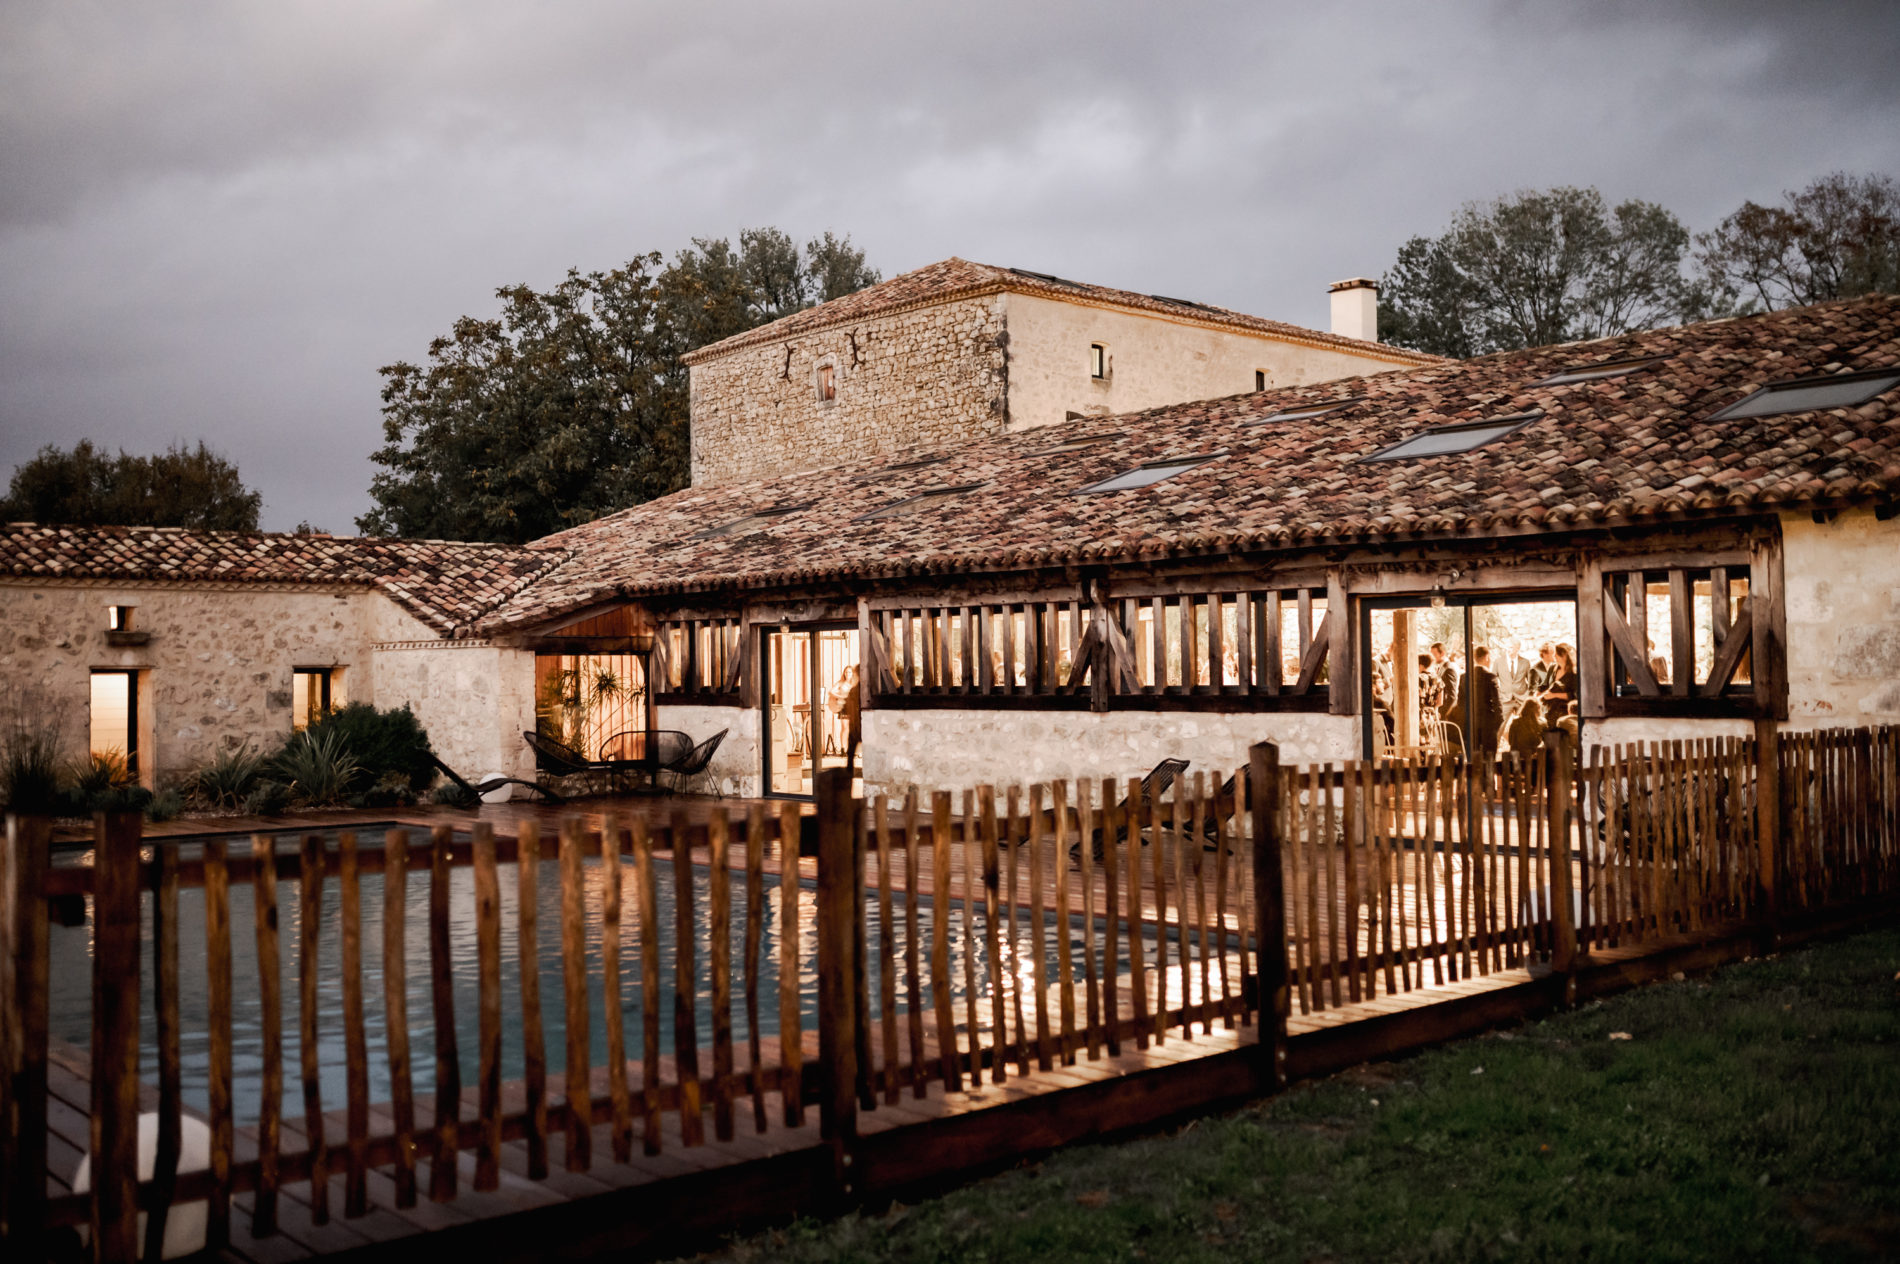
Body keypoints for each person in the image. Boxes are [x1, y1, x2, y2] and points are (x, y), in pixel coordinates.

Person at [1470, 646, 1505, 762]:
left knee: (1473, 761)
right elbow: (1497, 702)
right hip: (1488, 724)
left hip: (1471, 725)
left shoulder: (1465, 677)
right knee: (1489, 760)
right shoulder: (1490, 677)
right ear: (1486, 657)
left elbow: (1461, 703)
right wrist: (1497, 723)